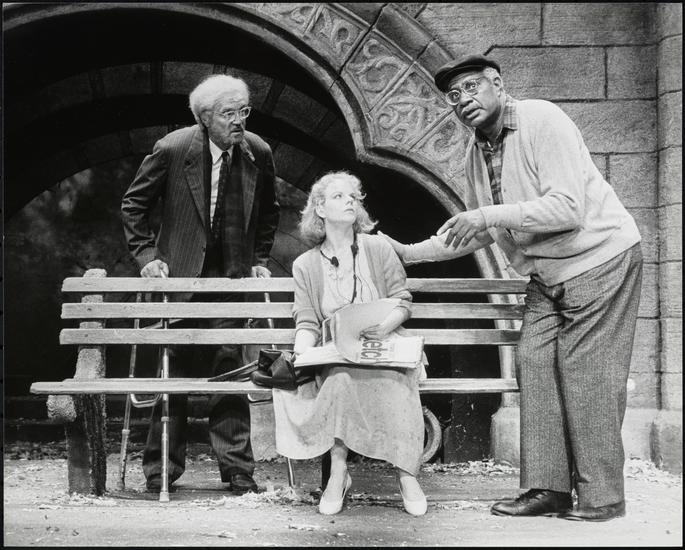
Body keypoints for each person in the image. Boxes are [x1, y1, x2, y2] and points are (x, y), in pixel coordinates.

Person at [381, 55, 642, 522]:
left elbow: (566, 208)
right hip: (547, 275)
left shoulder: (543, 120)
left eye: (471, 87)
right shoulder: (475, 153)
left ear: (497, 85)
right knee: (534, 363)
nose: (463, 100)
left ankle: (603, 496)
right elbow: (477, 230)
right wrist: (408, 252)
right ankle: (548, 489)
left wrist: (488, 214)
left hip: (600, 259)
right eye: (454, 96)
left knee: (586, 375)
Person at [121, 74, 280, 494]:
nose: (239, 120)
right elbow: (134, 204)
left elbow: (269, 212)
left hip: (231, 276)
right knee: (172, 371)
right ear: (205, 117)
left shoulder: (258, 151)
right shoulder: (173, 148)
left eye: (244, 111)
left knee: (230, 370)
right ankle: (161, 470)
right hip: (181, 275)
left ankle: (238, 470)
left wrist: (259, 260)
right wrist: (147, 257)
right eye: (229, 113)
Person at [272, 171, 428, 516]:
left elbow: (403, 301)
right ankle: (338, 472)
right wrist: (302, 351)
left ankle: (407, 474)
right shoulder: (305, 265)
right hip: (338, 352)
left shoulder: (378, 248)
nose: (350, 202)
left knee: (395, 380)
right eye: (339, 196)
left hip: (384, 344)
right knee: (340, 379)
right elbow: (307, 320)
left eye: (354, 197)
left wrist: (385, 327)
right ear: (320, 208)